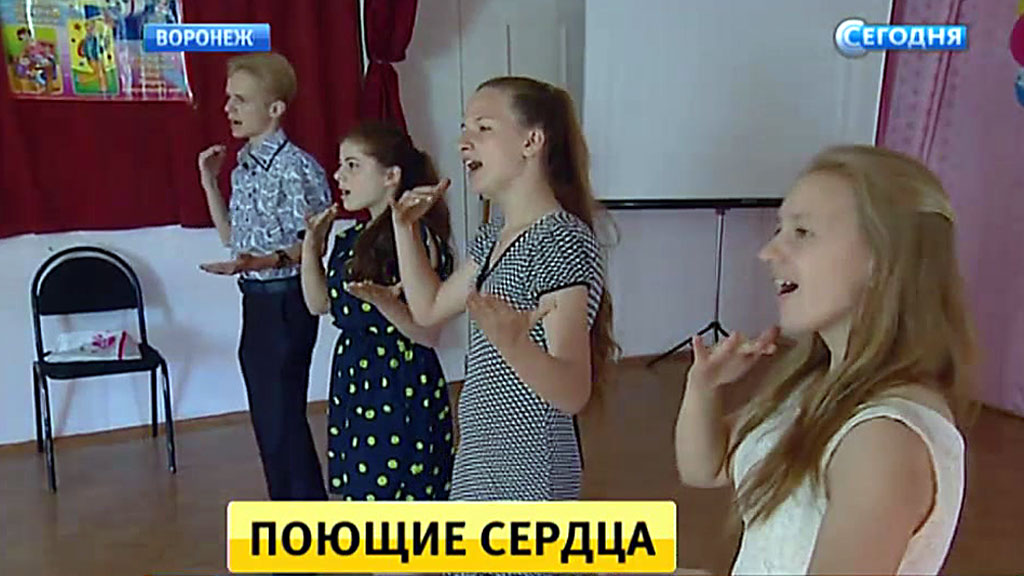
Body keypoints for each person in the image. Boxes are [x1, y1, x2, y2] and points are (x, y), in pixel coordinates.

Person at [674, 145, 977, 574]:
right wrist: (702, 388)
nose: (767, 252)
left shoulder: (882, 440)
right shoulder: (814, 385)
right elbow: (703, 469)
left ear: (883, 257)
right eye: (779, 229)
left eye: (802, 232)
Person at [385, 75, 618, 504]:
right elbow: (429, 308)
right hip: (481, 456)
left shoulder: (560, 240)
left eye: (483, 127)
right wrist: (405, 229)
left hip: (530, 471)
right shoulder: (496, 234)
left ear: (531, 141)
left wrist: (513, 343)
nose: (463, 142)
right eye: (464, 127)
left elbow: (572, 391)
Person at [197, 52, 331, 503]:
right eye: (228, 98)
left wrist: (259, 264)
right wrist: (210, 183)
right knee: (269, 421)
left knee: (283, 419)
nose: (228, 108)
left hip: (286, 301)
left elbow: (312, 246)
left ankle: (306, 514)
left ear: (274, 108)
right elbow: (233, 240)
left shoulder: (297, 168)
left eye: (241, 100)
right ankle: (288, 511)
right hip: (254, 301)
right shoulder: (244, 166)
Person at [300, 121, 455, 502]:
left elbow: (427, 333)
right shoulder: (349, 238)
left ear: (391, 176)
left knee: (401, 503)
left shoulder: (414, 236)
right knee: (364, 497)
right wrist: (311, 249)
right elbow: (319, 304)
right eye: (341, 165)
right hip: (356, 376)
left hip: (399, 380)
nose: (339, 176)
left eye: (353, 165)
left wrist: (384, 302)